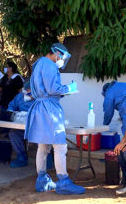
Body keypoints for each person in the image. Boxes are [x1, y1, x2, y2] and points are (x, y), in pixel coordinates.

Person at [25, 42, 85, 195]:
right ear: (57, 53)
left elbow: (42, 89)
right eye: (63, 57)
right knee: (59, 146)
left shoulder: (38, 63)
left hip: (39, 107)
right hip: (49, 109)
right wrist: (69, 89)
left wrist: (61, 91)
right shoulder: (50, 65)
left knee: (43, 146)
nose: (62, 60)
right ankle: (63, 181)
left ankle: (42, 181)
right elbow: (53, 89)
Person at [7, 81, 35, 168]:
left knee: (42, 139)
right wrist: (12, 113)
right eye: (28, 92)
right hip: (21, 127)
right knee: (13, 134)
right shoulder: (20, 97)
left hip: (36, 129)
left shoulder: (40, 99)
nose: (29, 94)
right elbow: (11, 107)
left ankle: (47, 158)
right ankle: (21, 157)